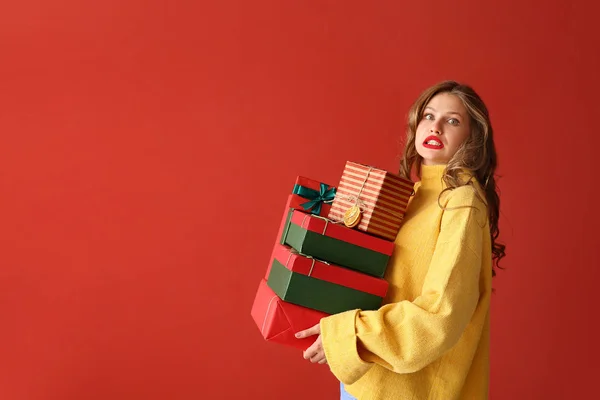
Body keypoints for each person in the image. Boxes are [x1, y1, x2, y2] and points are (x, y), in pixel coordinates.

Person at [295, 80, 506, 400]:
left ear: (473, 139)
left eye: (452, 121)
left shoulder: (461, 201)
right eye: (428, 116)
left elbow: (440, 315)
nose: (435, 126)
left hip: (408, 391)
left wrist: (351, 333)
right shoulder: (414, 196)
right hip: (367, 380)